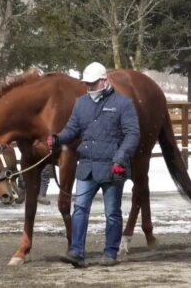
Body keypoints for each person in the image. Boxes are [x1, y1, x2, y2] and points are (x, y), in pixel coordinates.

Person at [47, 62, 139, 267]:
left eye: (92, 83)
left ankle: (110, 253)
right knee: (79, 209)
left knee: (112, 213)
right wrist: (58, 138)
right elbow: (72, 129)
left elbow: (132, 134)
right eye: (86, 84)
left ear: (104, 81)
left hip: (112, 167)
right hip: (87, 166)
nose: (88, 87)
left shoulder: (123, 103)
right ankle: (77, 252)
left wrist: (120, 158)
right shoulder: (81, 104)